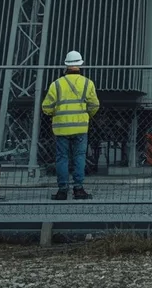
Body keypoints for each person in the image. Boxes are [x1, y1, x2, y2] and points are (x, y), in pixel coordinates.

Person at [41, 50, 100, 200]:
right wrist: (86, 115)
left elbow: (46, 107)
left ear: (66, 66)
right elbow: (94, 105)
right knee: (79, 157)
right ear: (80, 65)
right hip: (80, 127)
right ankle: (78, 189)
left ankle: (62, 190)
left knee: (62, 158)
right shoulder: (87, 83)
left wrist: (56, 114)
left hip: (61, 128)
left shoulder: (56, 84)